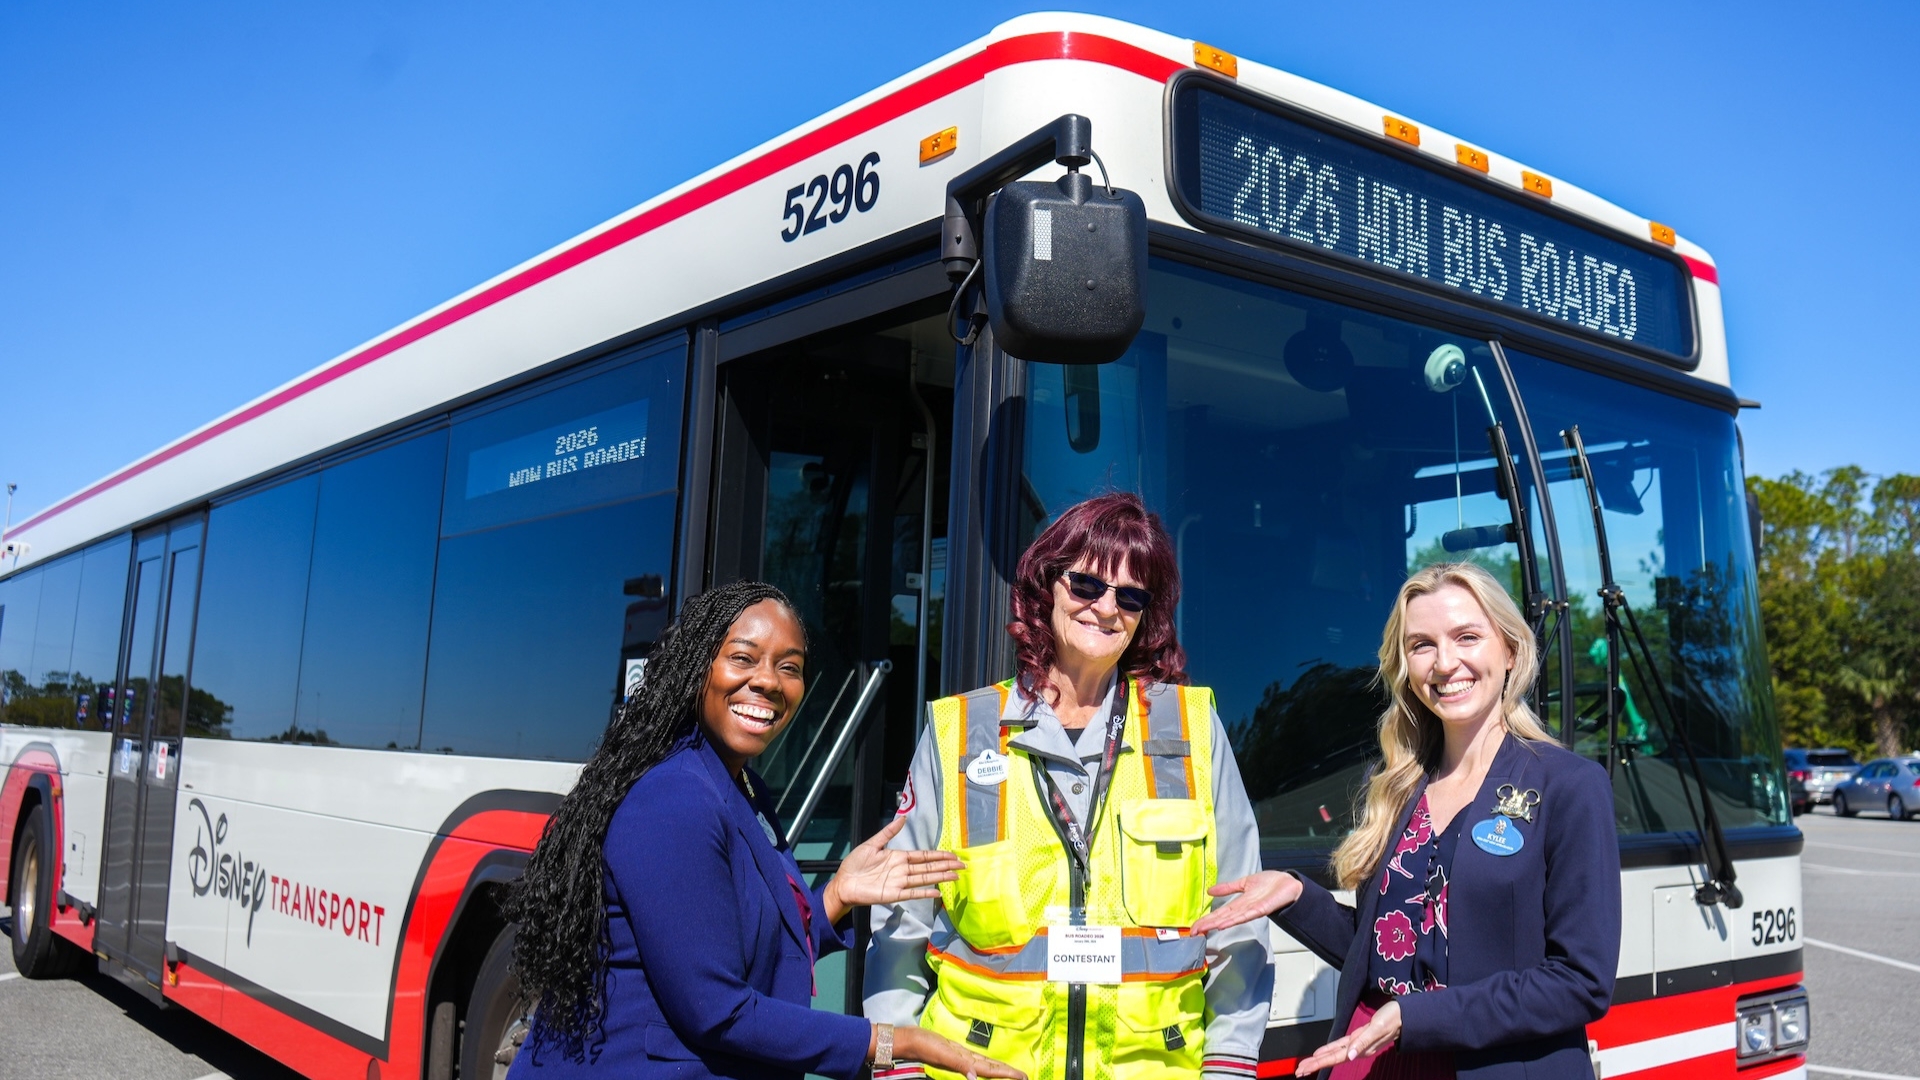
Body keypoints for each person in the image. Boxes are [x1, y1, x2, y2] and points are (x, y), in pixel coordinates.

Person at [506, 581, 1026, 1080]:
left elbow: (742, 944)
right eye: (743, 658)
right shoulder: (675, 799)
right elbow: (717, 1010)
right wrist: (893, 1042)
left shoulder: (742, 787)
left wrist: (838, 895)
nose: (769, 682)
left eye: (790, 667)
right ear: (697, 666)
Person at [866, 492, 1273, 1080]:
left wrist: (1228, 1069)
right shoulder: (963, 731)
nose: (1106, 609)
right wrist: (894, 1063)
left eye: (1130, 596)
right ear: (1046, 586)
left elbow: (1240, 920)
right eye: (1086, 586)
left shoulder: (1190, 729)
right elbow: (899, 925)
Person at [1192, 563, 1621, 1080]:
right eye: (1422, 645)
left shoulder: (1569, 785)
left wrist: (1414, 1017)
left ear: (1509, 650)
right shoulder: (1398, 783)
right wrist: (1296, 896)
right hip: (1382, 1062)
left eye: (1467, 637)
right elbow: (1388, 947)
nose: (1445, 663)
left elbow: (1580, 982)